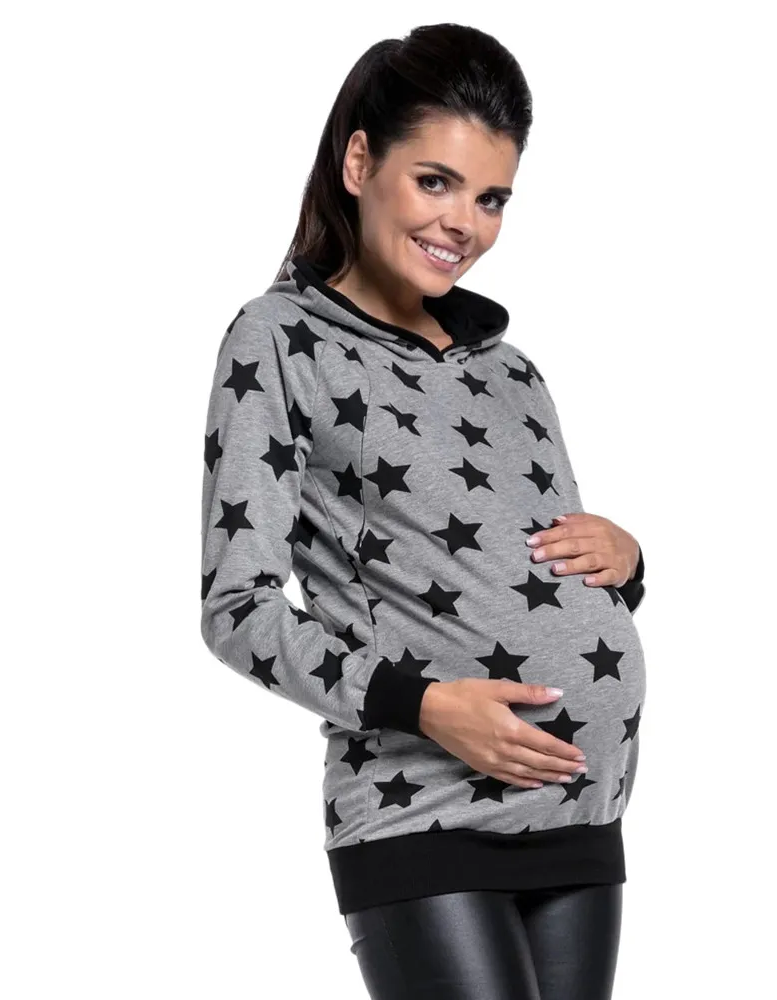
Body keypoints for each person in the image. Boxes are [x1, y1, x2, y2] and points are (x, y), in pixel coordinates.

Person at [200, 22, 647, 1000]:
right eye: (435, 182)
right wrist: (425, 705)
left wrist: (626, 563)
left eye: (491, 198)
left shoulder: (512, 372)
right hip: (421, 817)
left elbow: (524, 575)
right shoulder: (279, 341)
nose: (464, 224)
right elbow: (237, 613)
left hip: (579, 816)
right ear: (360, 162)